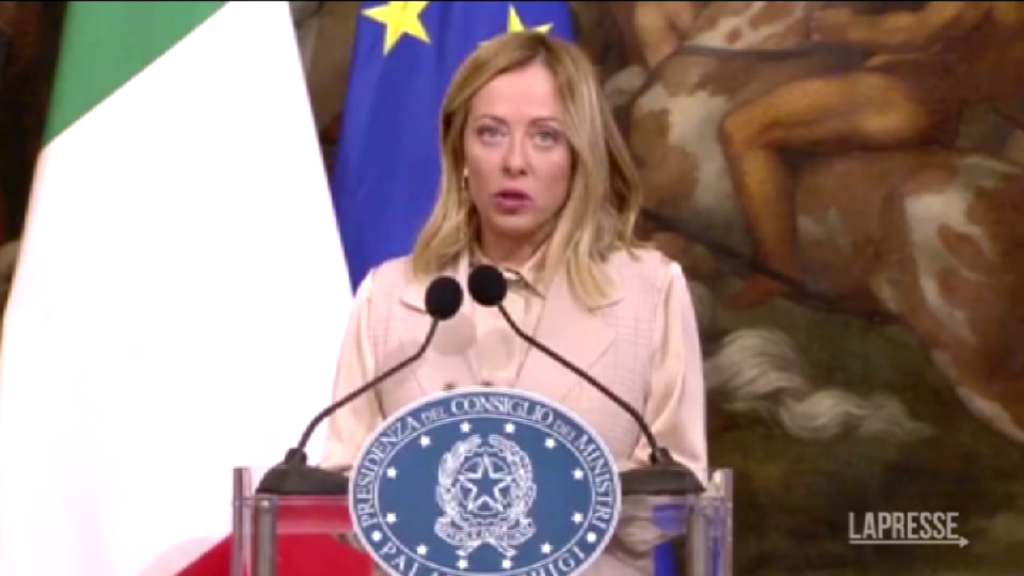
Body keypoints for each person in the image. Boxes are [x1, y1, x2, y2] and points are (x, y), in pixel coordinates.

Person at [320, 31, 708, 576]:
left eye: (545, 136)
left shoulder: (649, 290)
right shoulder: (388, 296)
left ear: (579, 155)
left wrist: (540, 511)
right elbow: (341, 488)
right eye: (491, 132)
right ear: (459, 149)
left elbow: (676, 489)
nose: (515, 162)